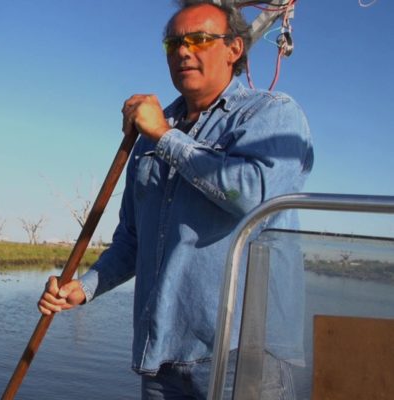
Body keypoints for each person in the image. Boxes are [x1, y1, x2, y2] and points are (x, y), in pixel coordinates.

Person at [38, 1, 313, 399]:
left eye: (199, 39)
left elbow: (253, 196)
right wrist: (82, 288)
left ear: (234, 49)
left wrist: (166, 137)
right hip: (162, 355)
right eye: (173, 43)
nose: (183, 51)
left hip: (243, 357)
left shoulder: (271, 115)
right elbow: (132, 240)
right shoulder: (150, 134)